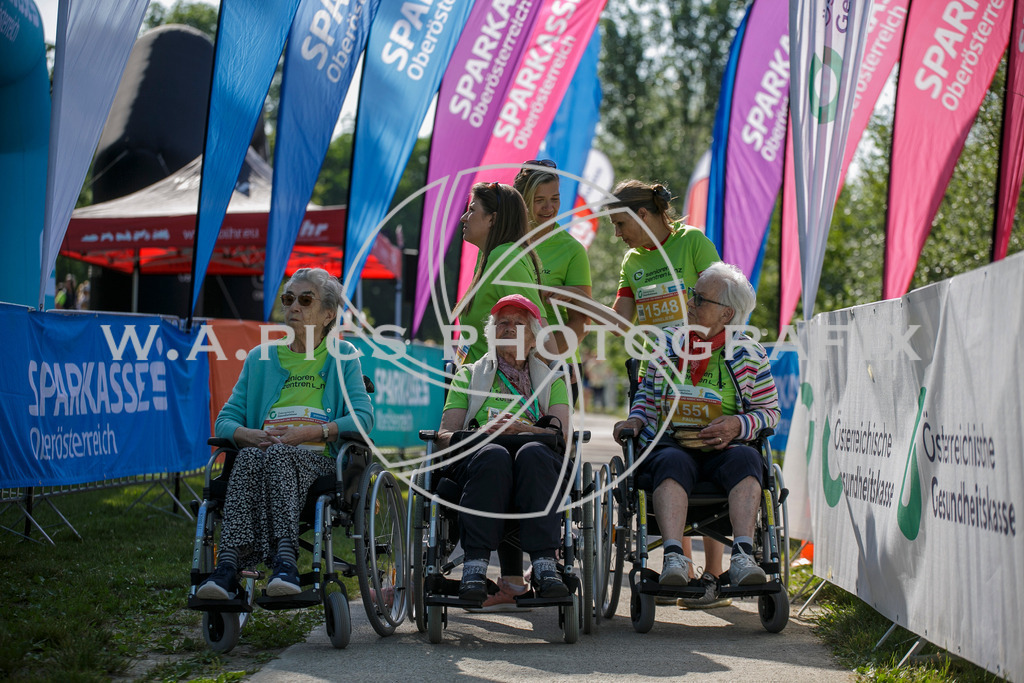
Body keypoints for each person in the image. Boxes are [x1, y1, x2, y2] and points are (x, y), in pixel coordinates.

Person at [196, 268, 374, 600]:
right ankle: (229, 568)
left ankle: (285, 561)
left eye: (305, 300)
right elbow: (225, 422)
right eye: (288, 299)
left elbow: (363, 417)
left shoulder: (343, 357)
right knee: (252, 454)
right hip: (262, 458)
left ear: (327, 314)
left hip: (318, 463)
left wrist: (315, 431)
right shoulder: (260, 358)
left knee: (273, 455)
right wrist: (249, 435)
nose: (293, 307)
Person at [612, 263, 780, 597]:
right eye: (692, 294)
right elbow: (646, 398)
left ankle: (744, 556)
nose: (690, 303)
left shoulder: (749, 353)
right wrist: (635, 420)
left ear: (727, 314)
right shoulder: (666, 345)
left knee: (749, 461)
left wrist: (737, 424)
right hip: (673, 444)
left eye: (700, 299)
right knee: (669, 462)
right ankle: (674, 557)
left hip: (726, 448)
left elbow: (769, 413)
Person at [435, 294, 572, 603]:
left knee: (534, 453)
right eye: (502, 323)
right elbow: (445, 435)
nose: (509, 329)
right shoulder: (469, 376)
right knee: (494, 455)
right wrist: (482, 432)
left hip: (535, 466)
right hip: (479, 462)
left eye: (518, 323)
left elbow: (561, 437)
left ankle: (545, 566)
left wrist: (523, 429)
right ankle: (474, 567)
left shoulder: (553, 381)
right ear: (492, 334)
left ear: (535, 337)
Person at [512, 159, 592, 399]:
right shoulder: (501, 244)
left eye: (555, 199)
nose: (549, 208)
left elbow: (582, 322)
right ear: (522, 200)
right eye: (539, 200)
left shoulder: (572, 250)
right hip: (505, 364)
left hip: (557, 367)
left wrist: (542, 358)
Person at [452, 182, 545, 366]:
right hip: (481, 387)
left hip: (497, 390)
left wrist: (554, 382)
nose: (464, 218)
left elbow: (539, 330)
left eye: (472, 210)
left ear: (492, 219)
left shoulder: (503, 257)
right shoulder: (493, 255)